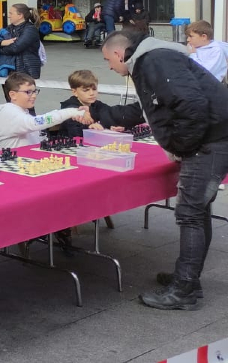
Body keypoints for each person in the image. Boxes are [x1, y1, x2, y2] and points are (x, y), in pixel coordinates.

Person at [102, 30, 228, 309]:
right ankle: (187, 277)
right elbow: (147, 107)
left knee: (190, 214)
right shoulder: (154, 60)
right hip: (211, 139)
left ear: (117, 53)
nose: (110, 67)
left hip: (209, 143)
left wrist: (183, 145)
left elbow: (191, 104)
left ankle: (184, 290)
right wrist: (102, 113)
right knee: (197, 211)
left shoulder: (154, 60)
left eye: (108, 61)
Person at [0, 72, 85, 148]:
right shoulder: (8, 111)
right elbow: (36, 123)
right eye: (28, 92)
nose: (34, 96)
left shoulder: (22, 111)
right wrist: (72, 112)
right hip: (13, 161)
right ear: (13, 95)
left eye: (34, 91)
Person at [57, 70, 144, 139]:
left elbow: (111, 115)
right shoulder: (70, 109)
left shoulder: (97, 105)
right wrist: (90, 128)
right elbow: (75, 132)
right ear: (74, 92)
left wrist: (116, 126)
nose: (92, 93)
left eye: (94, 89)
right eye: (86, 90)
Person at [0, 3, 43, 79]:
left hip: (27, 70)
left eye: (11, 13)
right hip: (10, 69)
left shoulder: (30, 29)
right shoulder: (8, 28)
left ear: (20, 15)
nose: (8, 16)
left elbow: (16, 48)